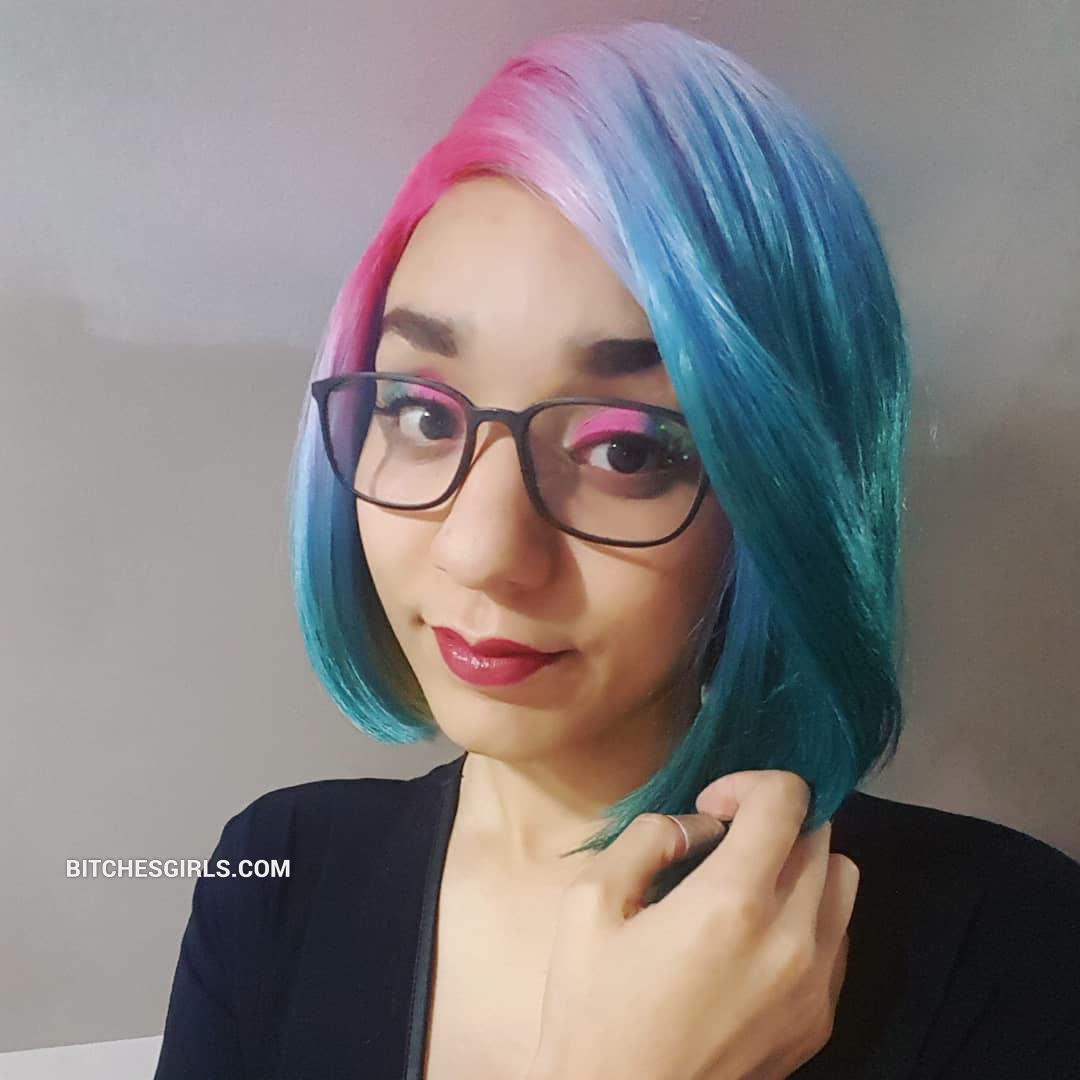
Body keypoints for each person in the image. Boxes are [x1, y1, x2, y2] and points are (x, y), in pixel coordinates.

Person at [153, 19, 1080, 1080]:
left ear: (778, 499)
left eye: (626, 449)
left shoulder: (1011, 953)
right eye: (421, 412)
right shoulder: (277, 877)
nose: (481, 550)